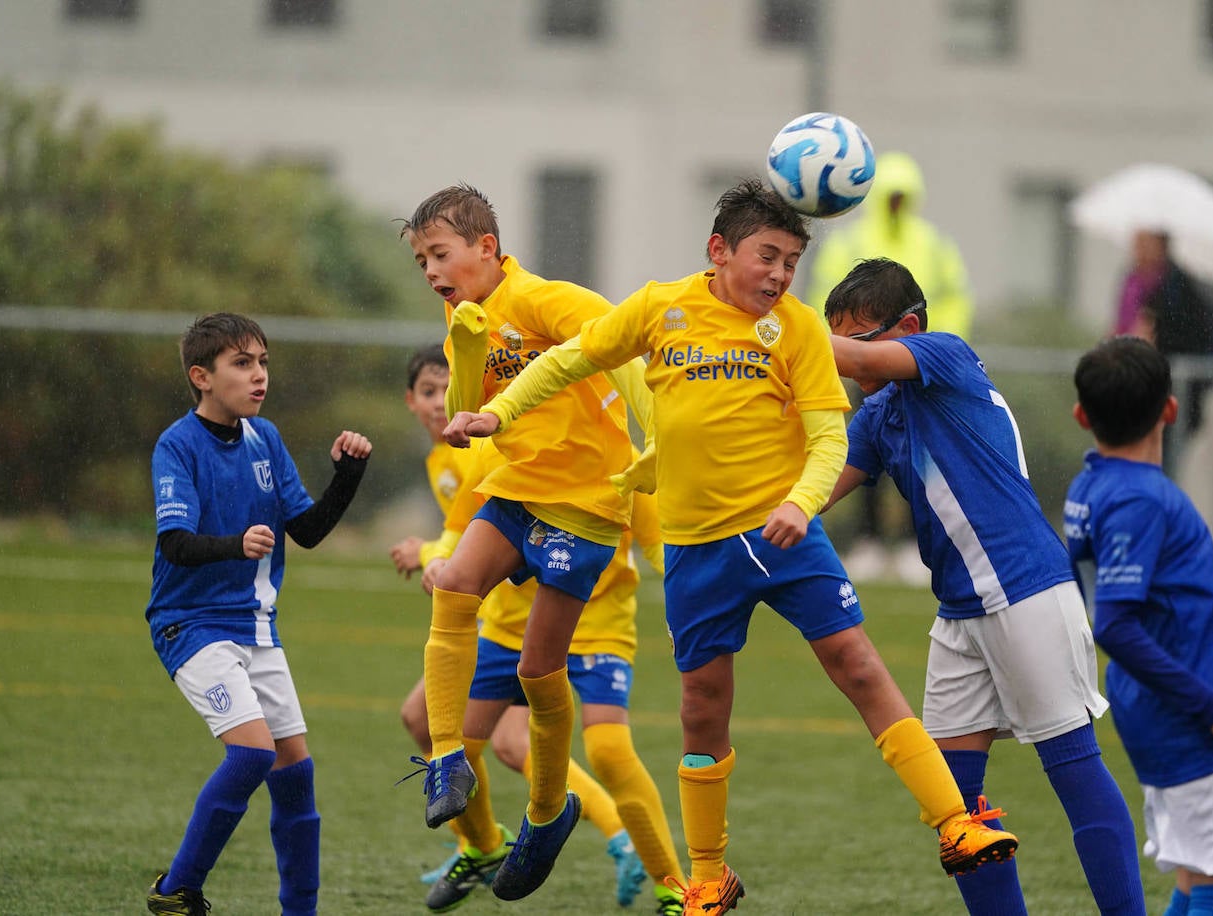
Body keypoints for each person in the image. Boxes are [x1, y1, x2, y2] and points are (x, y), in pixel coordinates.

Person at [442, 179, 1018, 916]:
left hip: (784, 536)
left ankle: (955, 823)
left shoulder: (800, 328)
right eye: (767, 257)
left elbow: (827, 437)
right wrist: (498, 412)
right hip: (694, 549)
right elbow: (572, 358)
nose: (779, 276)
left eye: (790, 262)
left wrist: (799, 503)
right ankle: (708, 876)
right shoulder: (661, 307)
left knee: (859, 666)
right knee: (701, 708)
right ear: (719, 251)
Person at [820, 258, 1145, 916]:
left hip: (1026, 590)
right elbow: (812, 490)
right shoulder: (881, 416)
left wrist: (760, 327)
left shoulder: (946, 356)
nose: (848, 364)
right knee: (955, 804)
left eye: (859, 341)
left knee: (1074, 770)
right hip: (961, 612)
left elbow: (851, 360)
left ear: (907, 327)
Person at [398, 183, 654, 902]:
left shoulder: (546, 300)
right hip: (517, 490)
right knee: (454, 585)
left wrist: (656, 437)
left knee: (542, 672)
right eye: (421, 261)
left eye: (439, 255)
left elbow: (626, 348)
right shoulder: (463, 320)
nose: (431, 273)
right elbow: (462, 413)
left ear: (487, 249)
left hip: (583, 507)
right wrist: (471, 353)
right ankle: (449, 758)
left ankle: (548, 813)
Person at [389, 345, 682, 914]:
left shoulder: (616, 455)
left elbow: (660, 544)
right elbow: (462, 529)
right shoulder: (506, 451)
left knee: (609, 751)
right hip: (508, 627)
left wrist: (686, 609)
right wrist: (437, 559)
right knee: (458, 742)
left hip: (596, 626)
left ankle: (677, 887)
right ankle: (484, 845)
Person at [145, 312, 372, 916]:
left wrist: (347, 477)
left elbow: (308, 530)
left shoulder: (264, 438)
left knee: (296, 771)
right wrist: (235, 543)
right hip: (190, 626)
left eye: (263, 362)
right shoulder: (177, 445)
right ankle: (175, 892)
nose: (259, 375)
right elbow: (175, 545)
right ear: (202, 376)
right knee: (251, 753)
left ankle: (301, 912)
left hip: (257, 630)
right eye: (242, 364)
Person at [1065, 336, 1213, 916]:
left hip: (1153, 708)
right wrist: (1208, 704)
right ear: (1171, 408)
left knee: (1195, 880)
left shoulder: (1093, 486)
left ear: (1082, 416)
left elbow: (1137, 594)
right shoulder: (1142, 499)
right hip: (1186, 714)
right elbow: (1115, 622)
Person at [806, 151, 974, 583]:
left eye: (905, 196)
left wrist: (928, 349)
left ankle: (917, 544)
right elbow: (826, 301)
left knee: (929, 459)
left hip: (928, 366)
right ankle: (869, 540)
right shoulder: (850, 241)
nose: (898, 203)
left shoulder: (932, 243)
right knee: (870, 450)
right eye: (892, 196)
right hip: (874, 370)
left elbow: (954, 295)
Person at [1112, 230, 1213, 472]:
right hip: (1127, 392)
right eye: (1136, 243)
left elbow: (1190, 340)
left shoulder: (1181, 290)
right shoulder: (1132, 283)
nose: (1138, 250)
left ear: (1161, 245)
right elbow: (1120, 329)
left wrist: (1154, 340)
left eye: (1145, 243)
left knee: (1158, 469)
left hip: (1166, 398)